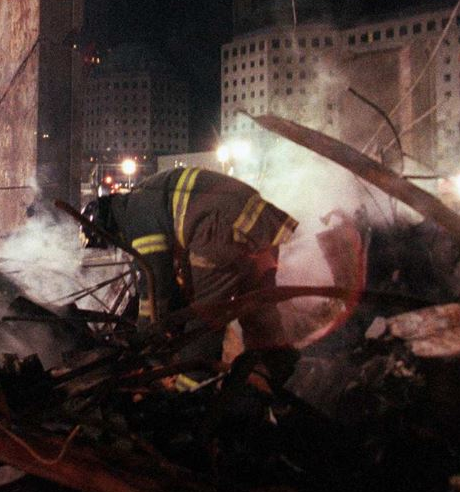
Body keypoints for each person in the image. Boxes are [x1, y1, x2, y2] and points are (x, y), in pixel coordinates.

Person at [80, 166, 298, 388]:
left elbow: (156, 278)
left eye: (109, 241)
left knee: (204, 315)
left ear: (108, 228)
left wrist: (146, 332)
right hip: (255, 221)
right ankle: (276, 376)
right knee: (257, 309)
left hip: (218, 226)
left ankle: (190, 392)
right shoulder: (144, 196)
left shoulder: (135, 215)